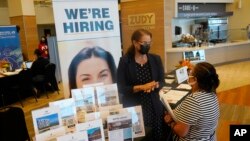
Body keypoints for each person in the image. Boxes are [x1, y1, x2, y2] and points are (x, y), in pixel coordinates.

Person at [117, 28, 166, 141]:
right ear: (134, 42)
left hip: (153, 106)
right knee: (139, 138)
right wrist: (141, 87)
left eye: (149, 43)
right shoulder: (125, 61)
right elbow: (121, 87)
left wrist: (154, 85)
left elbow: (162, 81)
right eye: (144, 43)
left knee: (156, 136)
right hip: (134, 108)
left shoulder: (155, 59)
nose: (147, 45)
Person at [164, 62, 220, 141]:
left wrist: (170, 123)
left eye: (190, 74)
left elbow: (181, 132)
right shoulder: (213, 94)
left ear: (195, 80)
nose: (188, 76)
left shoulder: (194, 100)